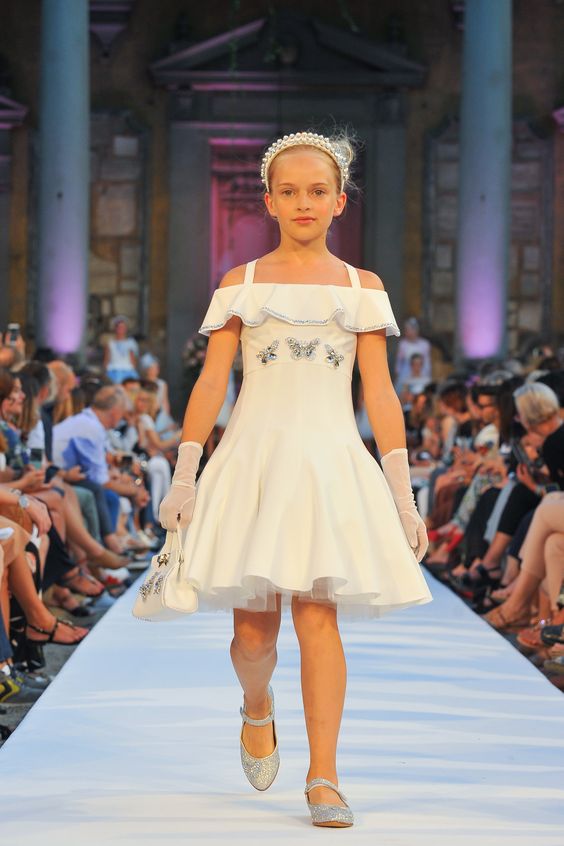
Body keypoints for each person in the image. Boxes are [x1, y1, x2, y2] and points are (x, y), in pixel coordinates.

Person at [154, 130, 431, 828]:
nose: (303, 201)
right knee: (254, 639)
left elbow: (380, 394)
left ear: (339, 201)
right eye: (289, 190)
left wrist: (403, 497)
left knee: (318, 616)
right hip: (253, 462)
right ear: (269, 200)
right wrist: (185, 474)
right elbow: (212, 381)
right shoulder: (241, 283)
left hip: (329, 464)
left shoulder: (362, 288)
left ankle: (324, 775)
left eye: (317, 190)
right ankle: (257, 705)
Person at [394, 317, 431, 392]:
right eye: (406, 330)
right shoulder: (403, 344)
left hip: (421, 372)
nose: (408, 332)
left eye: (410, 330)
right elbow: (399, 361)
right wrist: (398, 373)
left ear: (416, 330)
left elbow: (427, 362)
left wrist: (426, 374)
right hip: (406, 373)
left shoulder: (425, 344)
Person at [103, 316, 139, 384]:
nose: (120, 329)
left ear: (126, 329)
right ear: (115, 328)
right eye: (118, 327)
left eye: (123, 327)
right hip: (113, 372)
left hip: (128, 372)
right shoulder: (110, 343)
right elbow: (106, 360)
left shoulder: (131, 343)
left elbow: (133, 360)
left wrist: (132, 371)